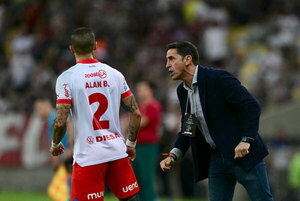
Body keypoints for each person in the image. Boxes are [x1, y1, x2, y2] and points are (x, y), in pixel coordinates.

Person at [160, 41, 274, 201]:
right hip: (216, 159)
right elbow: (188, 128)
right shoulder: (182, 90)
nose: (167, 65)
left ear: (187, 59)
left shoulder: (218, 78)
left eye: (171, 59)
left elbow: (251, 106)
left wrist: (246, 140)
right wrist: (172, 155)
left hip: (242, 153)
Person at [50, 27, 141, 201]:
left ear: (72, 49)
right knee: (130, 199)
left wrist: (55, 144)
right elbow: (135, 113)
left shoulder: (67, 78)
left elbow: (60, 121)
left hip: (88, 155)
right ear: (95, 46)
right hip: (117, 150)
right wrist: (130, 143)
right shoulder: (115, 74)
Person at [34, 98, 73, 200]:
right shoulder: (52, 118)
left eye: (39, 109)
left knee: (68, 178)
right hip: (65, 152)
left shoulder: (55, 117)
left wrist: (69, 147)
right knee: (68, 178)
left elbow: (69, 126)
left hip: (66, 152)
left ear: (47, 107)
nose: (37, 113)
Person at [132, 80, 162, 201]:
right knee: (136, 177)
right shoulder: (138, 107)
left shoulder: (153, 106)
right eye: (138, 90)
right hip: (135, 146)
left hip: (148, 146)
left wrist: (132, 122)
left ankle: (150, 198)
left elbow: (140, 123)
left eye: (143, 89)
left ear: (151, 90)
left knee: (146, 176)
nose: (140, 92)